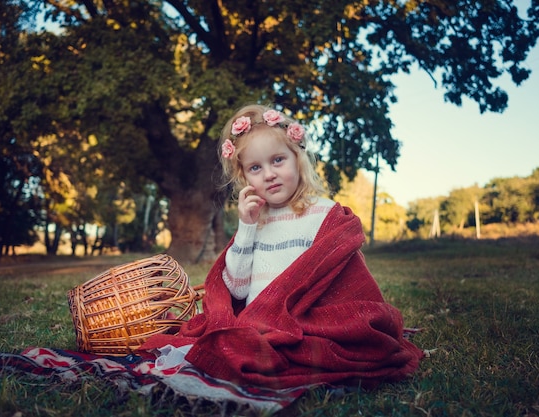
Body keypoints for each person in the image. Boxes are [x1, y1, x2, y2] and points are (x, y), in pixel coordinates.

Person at [139, 104, 424, 389]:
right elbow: (237, 289)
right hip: (258, 325)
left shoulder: (323, 214)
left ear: (297, 158)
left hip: (305, 322)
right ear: (244, 178)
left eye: (278, 160)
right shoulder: (254, 222)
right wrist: (247, 227)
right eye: (255, 168)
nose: (269, 174)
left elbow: (344, 285)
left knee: (312, 346)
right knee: (226, 345)